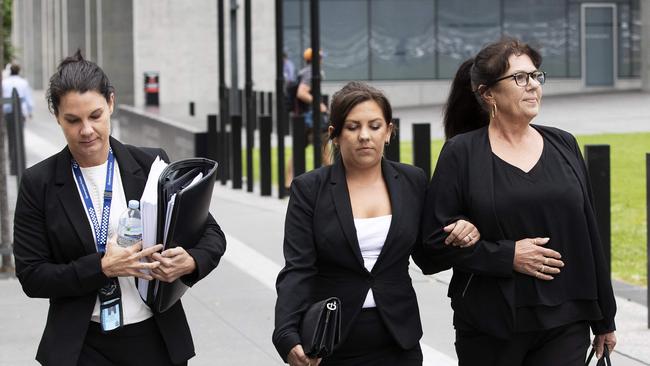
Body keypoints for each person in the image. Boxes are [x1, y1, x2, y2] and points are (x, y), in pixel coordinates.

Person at [13, 50, 226, 366]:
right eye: (73, 120)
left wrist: (191, 261)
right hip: (82, 344)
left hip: (155, 339)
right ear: (56, 116)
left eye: (95, 115)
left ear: (111, 103)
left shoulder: (150, 164)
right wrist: (100, 268)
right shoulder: (39, 183)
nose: (86, 130)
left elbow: (212, 234)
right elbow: (32, 275)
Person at [421, 38, 617, 365]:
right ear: (488, 93)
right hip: (491, 325)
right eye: (519, 78)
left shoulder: (563, 144)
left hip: (566, 321)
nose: (532, 87)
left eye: (535, 76)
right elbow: (430, 248)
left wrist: (605, 318)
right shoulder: (462, 153)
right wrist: (507, 255)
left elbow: (589, 233)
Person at [273, 81, 481, 366]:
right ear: (334, 135)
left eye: (374, 126)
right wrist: (286, 332)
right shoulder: (309, 189)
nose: (364, 136)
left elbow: (429, 257)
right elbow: (298, 268)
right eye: (352, 127)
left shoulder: (413, 181)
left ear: (388, 132)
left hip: (399, 339)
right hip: (331, 342)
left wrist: (463, 230)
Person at [285, 47, 331, 189]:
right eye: (321, 57)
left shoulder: (304, 71)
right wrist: (319, 105)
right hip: (311, 119)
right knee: (324, 148)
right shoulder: (311, 72)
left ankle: (287, 182)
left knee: (298, 150)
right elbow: (301, 93)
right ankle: (337, 179)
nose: (322, 60)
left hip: (304, 118)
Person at [3, 63, 34, 172]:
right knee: (19, 137)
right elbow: (28, 97)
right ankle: (19, 164)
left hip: (8, 113)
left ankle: (13, 165)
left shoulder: (4, 82)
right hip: (20, 112)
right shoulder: (23, 82)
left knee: (11, 138)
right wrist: (30, 111)